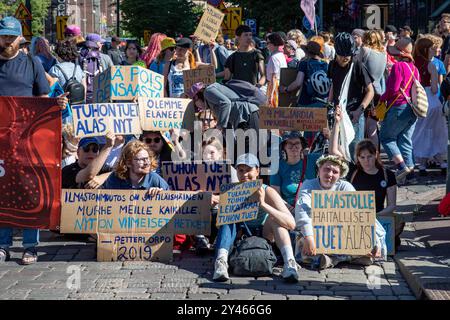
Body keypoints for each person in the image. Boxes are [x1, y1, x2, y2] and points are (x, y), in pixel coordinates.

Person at [0, 16, 68, 265]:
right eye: (3, 35)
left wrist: (57, 104)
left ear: (20, 38)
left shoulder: (32, 64)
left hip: (26, 139)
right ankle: (2, 244)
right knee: (2, 190)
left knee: (30, 189)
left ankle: (30, 245)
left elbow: (42, 100)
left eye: (11, 36)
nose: (6, 40)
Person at [213, 154, 299, 283]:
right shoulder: (231, 192)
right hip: (241, 237)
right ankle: (221, 262)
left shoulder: (267, 191)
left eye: (248, 170)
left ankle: (290, 263)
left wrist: (263, 204)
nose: (244, 174)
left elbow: (291, 224)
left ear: (257, 171)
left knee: (276, 219)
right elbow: (219, 226)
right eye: (241, 170)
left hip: (264, 236)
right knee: (228, 220)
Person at [294, 154, 386, 269]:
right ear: (319, 170)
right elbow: (303, 210)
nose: (330, 174)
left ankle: (332, 259)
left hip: (341, 233)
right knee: (304, 245)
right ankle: (350, 257)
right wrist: (309, 237)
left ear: (340, 175)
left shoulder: (345, 187)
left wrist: (370, 241)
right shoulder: (309, 185)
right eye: (326, 169)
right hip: (317, 231)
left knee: (372, 238)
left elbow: (361, 213)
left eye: (335, 172)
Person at [328, 32, 374, 162]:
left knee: (355, 151)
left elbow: (370, 91)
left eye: (348, 55)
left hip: (354, 113)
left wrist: (360, 111)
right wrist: (328, 103)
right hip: (337, 114)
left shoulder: (357, 65)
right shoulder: (332, 65)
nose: (345, 58)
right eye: (342, 55)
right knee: (338, 150)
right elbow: (333, 85)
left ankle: (355, 179)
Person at [379, 37, 420, 183]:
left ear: (400, 52)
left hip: (398, 107)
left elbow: (393, 89)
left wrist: (381, 98)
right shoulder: (414, 68)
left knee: (386, 137)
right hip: (412, 109)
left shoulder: (398, 66)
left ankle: (402, 167)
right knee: (405, 140)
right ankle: (411, 175)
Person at [412, 37, 447, 176]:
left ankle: (422, 164)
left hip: (417, 98)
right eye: (432, 47)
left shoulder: (413, 63)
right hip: (430, 100)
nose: (434, 49)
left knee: (420, 131)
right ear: (426, 49)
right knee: (438, 132)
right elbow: (434, 88)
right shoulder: (431, 65)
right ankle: (442, 161)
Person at [270, 131, 313, 211]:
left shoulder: (312, 160)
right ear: (284, 147)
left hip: (312, 210)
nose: (294, 147)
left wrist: (329, 134)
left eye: (297, 143)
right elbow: (275, 196)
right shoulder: (276, 167)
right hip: (289, 212)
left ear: (302, 146)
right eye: (290, 143)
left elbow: (335, 156)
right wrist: (290, 210)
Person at [102, 140, 169, 191]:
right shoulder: (115, 179)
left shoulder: (155, 180)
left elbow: (170, 201)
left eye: (147, 158)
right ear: (128, 163)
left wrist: (160, 194)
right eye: (142, 159)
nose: (147, 163)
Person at [281, 39, 329, 108]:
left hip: (306, 102)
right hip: (322, 102)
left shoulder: (304, 63)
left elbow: (298, 83)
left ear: (307, 52)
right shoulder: (325, 64)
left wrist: (286, 89)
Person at [359, 30, 387, 147]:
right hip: (378, 92)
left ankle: (361, 157)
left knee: (363, 128)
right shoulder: (383, 54)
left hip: (365, 91)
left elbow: (357, 66)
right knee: (373, 128)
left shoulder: (365, 50)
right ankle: (375, 156)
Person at [266, 32, 287, 107]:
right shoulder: (281, 55)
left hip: (274, 85)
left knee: (272, 110)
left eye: (268, 43)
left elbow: (274, 76)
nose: (267, 45)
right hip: (280, 84)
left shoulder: (274, 57)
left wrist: (271, 94)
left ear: (273, 43)